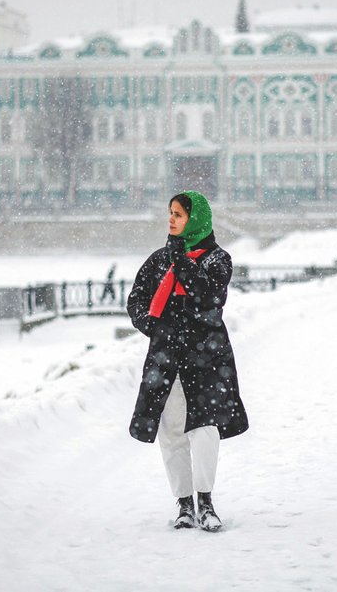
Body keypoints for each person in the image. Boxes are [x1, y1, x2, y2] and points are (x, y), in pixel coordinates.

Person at [126, 191, 249, 531]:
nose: (172, 220)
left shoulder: (217, 260)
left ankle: (206, 502)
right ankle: (184, 505)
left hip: (206, 359)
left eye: (179, 214)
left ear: (195, 219)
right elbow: (137, 299)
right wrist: (149, 323)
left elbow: (207, 301)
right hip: (166, 359)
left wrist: (181, 261)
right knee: (172, 432)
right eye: (171, 213)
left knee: (205, 430)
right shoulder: (158, 260)